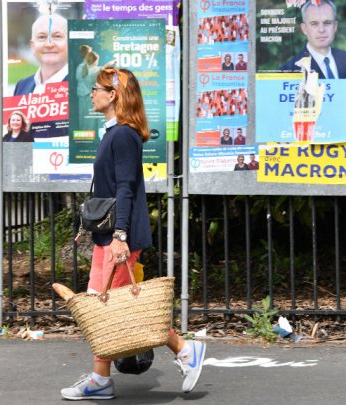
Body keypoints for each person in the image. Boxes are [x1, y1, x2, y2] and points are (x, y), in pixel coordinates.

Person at [60, 68, 206, 401]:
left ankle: (184, 350)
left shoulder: (123, 134)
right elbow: (110, 188)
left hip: (119, 237)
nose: (92, 93)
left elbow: (126, 188)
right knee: (102, 306)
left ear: (113, 95)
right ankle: (100, 379)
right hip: (108, 235)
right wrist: (93, 228)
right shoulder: (113, 132)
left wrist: (120, 235)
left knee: (112, 308)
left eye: (97, 88)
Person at [279, 0, 346, 79]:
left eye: (327, 23)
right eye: (314, 23)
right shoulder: (288, 70)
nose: (321, 30)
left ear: (335, 26)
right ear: (304, 29)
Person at [13, 13, 68, 96]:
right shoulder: (22, 86)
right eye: (42, 37)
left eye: (57, 36)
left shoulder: (85, 86)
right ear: (32, 46)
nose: (49, 44)